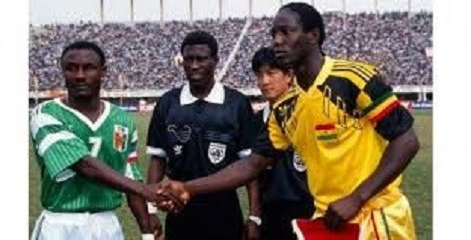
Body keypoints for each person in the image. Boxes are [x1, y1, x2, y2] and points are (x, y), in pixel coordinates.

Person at [158, 3, 420, 240]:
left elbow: (407, 141)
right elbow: (253, 164)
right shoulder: (285, 107)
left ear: (313, 35)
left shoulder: (353, 79)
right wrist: (188, 187)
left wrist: (357, 197)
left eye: (286, 32)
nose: (277, 41)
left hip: (375, 214)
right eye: (274, 34)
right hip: (328, 219)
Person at [29, 41, 166, 240]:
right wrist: (145, 190)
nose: (79, 76)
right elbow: (84, 165)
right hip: (62, 225)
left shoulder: (123, 119)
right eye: (71, 68)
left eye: (89, 68)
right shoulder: (46, 114)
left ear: (103, 72)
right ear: (63, 72)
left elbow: (130, 176)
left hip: (107, 225)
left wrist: (146, 230)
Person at [145, 30, 259, 240]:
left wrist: (254, 216)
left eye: (201, 59)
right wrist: (150, 210)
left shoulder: (237, 104)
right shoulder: (168, 103)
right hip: (179, 209)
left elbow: (250, 167)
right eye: (189, 59)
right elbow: (157, 159)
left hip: (224, 210)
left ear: (215, 61)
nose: (195, 65)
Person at [250, 47, 315, 240]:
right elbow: (251, 172)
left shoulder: (308, 113)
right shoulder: (254, 122)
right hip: (270, 215)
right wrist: (255, 216)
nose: (264, 81)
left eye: (271, 73)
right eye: (259, 75)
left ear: (289, 75)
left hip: (309, 211)